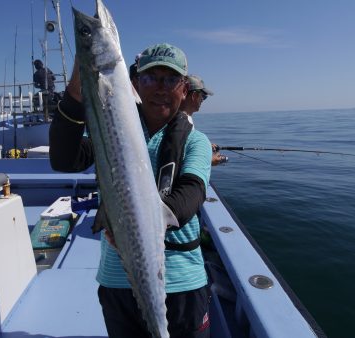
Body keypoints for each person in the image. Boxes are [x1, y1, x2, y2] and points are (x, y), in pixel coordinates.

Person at [49, 43, 212, 338]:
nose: (160, 88)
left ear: (184, 87)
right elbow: (63, 159)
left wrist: (137, 226)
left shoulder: (195, 141)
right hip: (117, 281)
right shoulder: (111, 132)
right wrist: (78, 82)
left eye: (170, 79)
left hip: (183, 283)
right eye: (150, 79)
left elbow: (192, 193)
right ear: (135, 84)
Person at [179, 74, 227, 166]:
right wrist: (209, 160)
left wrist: (202, 146)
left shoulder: (182, 119)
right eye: (203, 96)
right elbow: (181, 160)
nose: (202, 100)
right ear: (194, 96)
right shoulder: (182, 124)